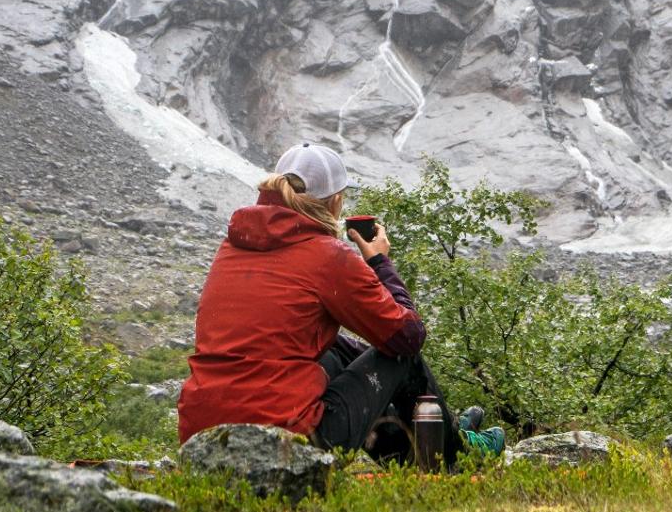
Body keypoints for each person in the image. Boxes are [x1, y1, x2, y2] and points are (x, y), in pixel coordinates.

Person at [177, 142, 495, 464]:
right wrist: (381, 263)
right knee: (401, 356)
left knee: (336, 350)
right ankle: (462, 451)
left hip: (201, 433)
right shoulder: (326, 255)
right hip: (284, 437)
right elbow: (408, 335)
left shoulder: (232, 248)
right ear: (336, 202)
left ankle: (437, 430)